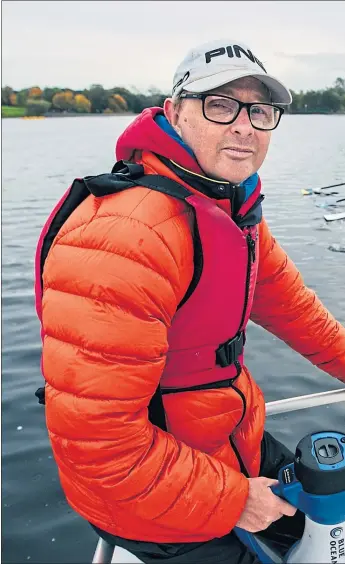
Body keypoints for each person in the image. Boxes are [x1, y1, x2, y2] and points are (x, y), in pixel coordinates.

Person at [36, 39, 345, 563]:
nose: (244, 126)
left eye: (260, 110)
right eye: (220, 105)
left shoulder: (224, 207)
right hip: (146, 496)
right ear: (175, 112)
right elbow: (100, 446)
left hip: (221, 436)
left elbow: (297, 311)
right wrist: (234, 500)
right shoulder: (129, 239)